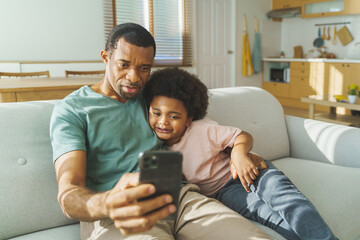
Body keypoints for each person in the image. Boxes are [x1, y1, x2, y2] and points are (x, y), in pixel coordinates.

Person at [50, 23, 271, 239]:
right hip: (119, 214)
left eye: (144, 68)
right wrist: (108, 202)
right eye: (123, 65)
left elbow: (193, 130)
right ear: (106, 58)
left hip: (181, 197)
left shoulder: (152, 97)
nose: (134, 77)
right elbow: (68, 194)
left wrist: (236, 151)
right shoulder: (72, 110)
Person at [142, 67, 338, 240]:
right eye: (156, 113)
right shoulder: (158, 149)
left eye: (174, 116)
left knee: (285, 199)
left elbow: (243, 136)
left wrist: (238, 154)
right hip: (225, 193)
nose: (163, 122)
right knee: (265, 214)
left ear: (188, 119)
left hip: (249, 169)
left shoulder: (202, 129)